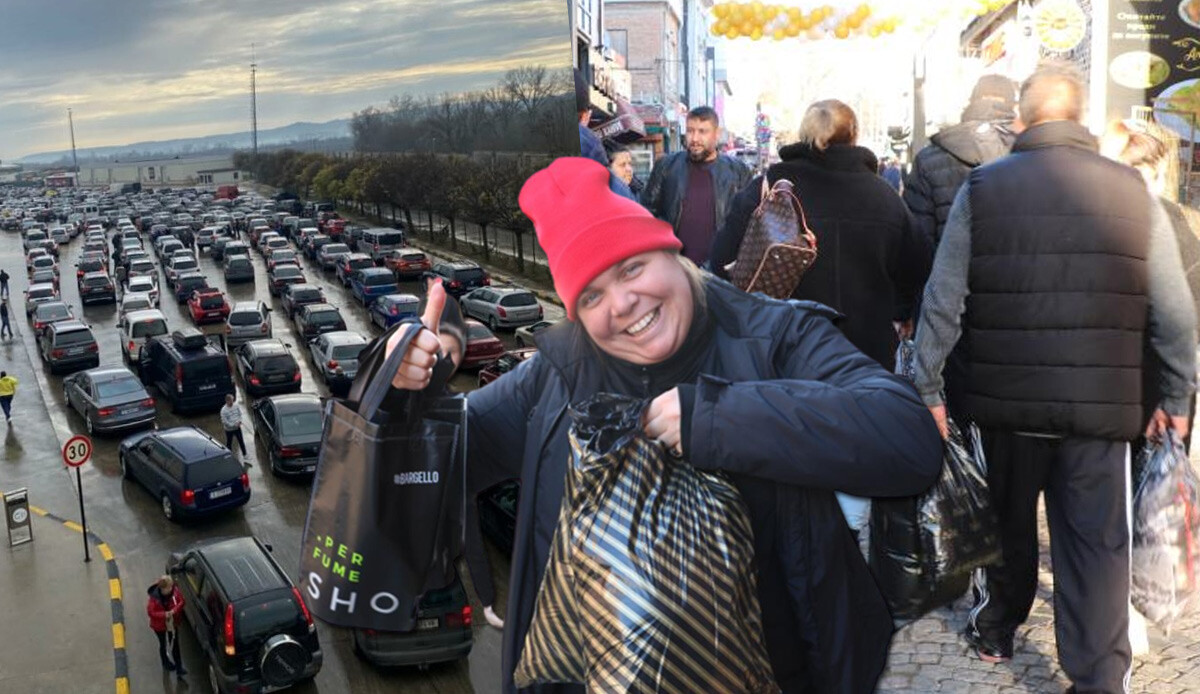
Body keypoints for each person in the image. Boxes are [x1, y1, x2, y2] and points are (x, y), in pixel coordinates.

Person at [381, 157, 943, 693]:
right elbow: (428, 472)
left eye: (632, 267)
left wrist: (716, 417)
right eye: (592, 294)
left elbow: (905, 435)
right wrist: (406, 387)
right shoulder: (557, 375)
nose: (622, 304)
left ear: (672, 252)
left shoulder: (774, 337)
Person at [912, 62, 1197, 694]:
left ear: (1023, 117)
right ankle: (1099, 678)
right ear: (1079, 118)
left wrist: (927, 387)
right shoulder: (1132, 191)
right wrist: (1177, 395)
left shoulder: (982, 189)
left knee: (1009, 529)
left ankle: (996, 627)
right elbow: (1174, 311)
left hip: (1005, 407)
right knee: (1097, 549)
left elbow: (943, 299)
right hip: (1102, 412)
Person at [712, 99, 932, 372]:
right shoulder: (884, 197)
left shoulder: (768, 191)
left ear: (803, 135)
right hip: (866, 358)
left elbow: (721, 260)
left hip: (784, 352)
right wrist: (900, 312)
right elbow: (918, 264)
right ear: (853, 134)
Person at [903, 73, 1019, 428]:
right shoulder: (1026, 152)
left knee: (951, 402)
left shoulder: (931, 157)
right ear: (1012, 105)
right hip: (1013, 301)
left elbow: (918, 242)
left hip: (948, 299)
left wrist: (913, 307)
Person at [640, 106, 752, 266]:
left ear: (716, 134)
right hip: (675, 269)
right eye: (690, 131)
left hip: (720, 273)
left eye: (702, 131)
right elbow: (646, 213)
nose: (694, 138)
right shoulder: (666, 166)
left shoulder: (738, 171)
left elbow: (749, 223)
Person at [146, 575, 187, 677]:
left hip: (172, 623)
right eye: (168, 588)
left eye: (171, 587)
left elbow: (182, 601)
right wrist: (164, 615)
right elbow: (151, 612)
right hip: (159, 626)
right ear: (162, 589)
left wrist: (174, 610)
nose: (171, 589)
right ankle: (165, 662)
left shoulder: (174, 591)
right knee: (162, 644)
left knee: (175, 644)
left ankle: (179, 667)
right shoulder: (154, 599)